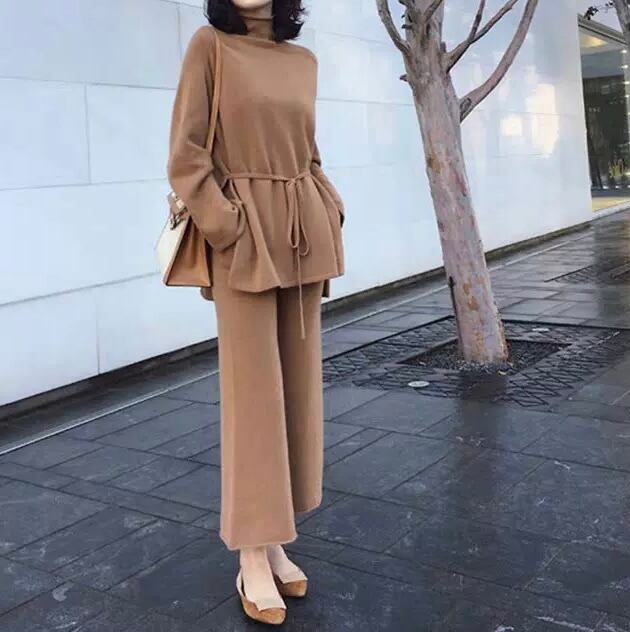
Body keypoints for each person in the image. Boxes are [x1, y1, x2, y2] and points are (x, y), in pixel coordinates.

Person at [168, 0, 345, 625]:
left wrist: (329, 206)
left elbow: (309, 154)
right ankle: (250, 551)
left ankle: (274, 540)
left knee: (297, 393)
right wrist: (227, 227)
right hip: (243, 243)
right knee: (252, 398)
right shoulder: (210, 45)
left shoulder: (303, 60)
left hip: (302, 237)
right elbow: (187, 154)